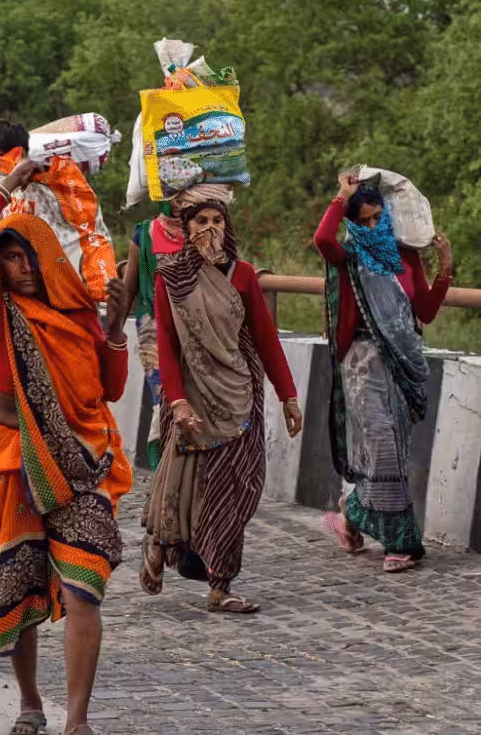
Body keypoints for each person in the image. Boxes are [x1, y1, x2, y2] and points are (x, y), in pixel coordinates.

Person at [0, 159, 133, 735]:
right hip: (9, 461)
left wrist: (114, 328)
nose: (19, 266)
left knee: (86, 586)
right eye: (7, 256)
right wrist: (5, 189)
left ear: (47, 257)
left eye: (27, 255)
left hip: (81, 462)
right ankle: (30, 703)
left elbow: (109, 389)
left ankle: (76, 718)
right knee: (15, 584)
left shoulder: (76, 315)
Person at [139, 199, 303, 613]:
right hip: (191, 398)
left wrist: (288, 396)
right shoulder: (171, 278)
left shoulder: (242, 275)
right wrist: (176, 401)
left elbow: (264, 337)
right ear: (186, 228)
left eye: (216, 221)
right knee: (184, 486)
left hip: (239, 397)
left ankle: (219, 582)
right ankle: (167, 547)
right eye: (201, 221)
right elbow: (168, 345)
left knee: (238, 488)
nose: (209, 228)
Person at [317, 172, 453, 573]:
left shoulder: (405, 257)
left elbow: (424, 311)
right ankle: (402, 543)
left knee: (394, 450)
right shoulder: (349, 256)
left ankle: (352, 511)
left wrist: (445, 267)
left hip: (403, 363)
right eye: (364, 220)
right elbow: (322, 240)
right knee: (382, 446)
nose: (373, 226)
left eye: (379, 217)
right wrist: (342, 196)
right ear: (353, 223)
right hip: (362, 360)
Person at [122, 185, 232, 470]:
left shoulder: (207, 230)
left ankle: (194, 484)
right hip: (156, 336)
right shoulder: (145, 234)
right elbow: (129, 288)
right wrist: (110, 337)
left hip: (200, 334)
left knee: (201, 408)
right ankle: (165, 479)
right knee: (168, 407)